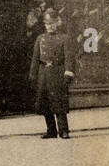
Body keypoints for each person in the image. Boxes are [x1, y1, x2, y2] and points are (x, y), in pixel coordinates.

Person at [29, 9, 75, 139]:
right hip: (43, 75)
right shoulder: (40, 39)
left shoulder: (64, 38)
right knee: (45, 104)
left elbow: (69, 58)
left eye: (52, 23)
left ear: (57, 23)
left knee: (59, 103)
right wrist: (33, 75)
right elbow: (35, 58)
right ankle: (51, 131)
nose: (50, 26)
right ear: (45, 24)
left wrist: (68, 73)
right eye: (48, 24)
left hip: (58, 73)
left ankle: (64, 131)